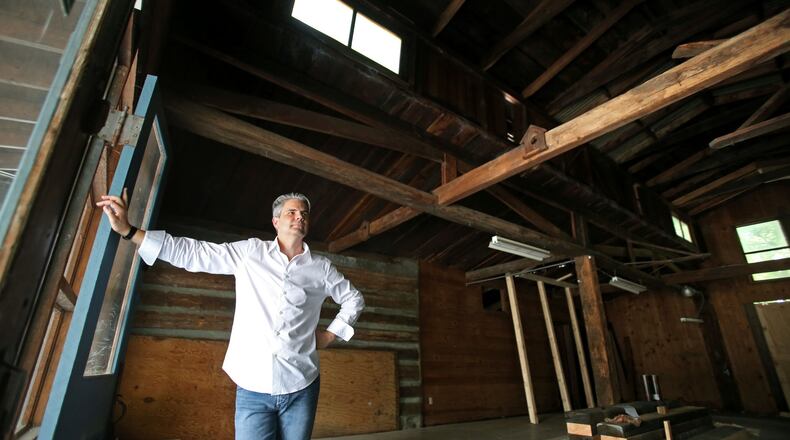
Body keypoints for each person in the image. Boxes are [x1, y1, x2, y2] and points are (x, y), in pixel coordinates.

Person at [97, 190, 365, 440]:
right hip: (252, 386)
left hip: (302, 384)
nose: (299, 217)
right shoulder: (250, 253)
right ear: (275, 221)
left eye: (304, 214)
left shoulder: (322, 268)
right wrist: (130, 231)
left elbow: (354, 299)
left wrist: (331, 335)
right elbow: (196, 253)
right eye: (292, 212)